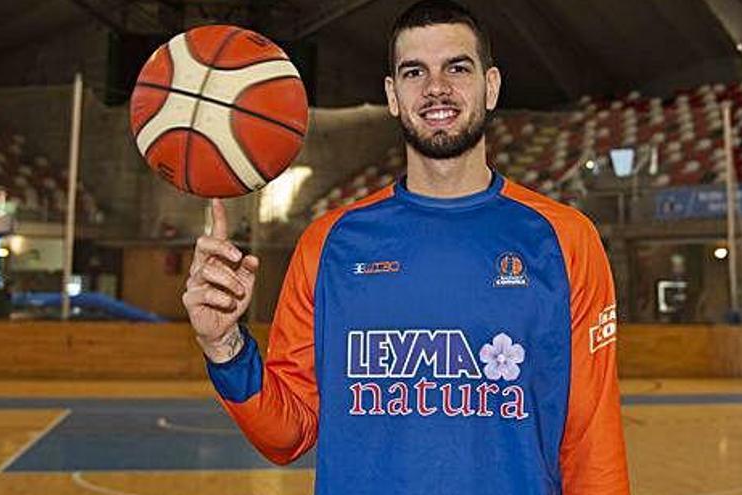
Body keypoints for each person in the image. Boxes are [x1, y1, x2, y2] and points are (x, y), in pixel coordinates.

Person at [182, 1, 629, 493]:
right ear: (393, 95)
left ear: (492, 85)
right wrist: (224, 345)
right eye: (415, 72)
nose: (436, 87)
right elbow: (287, 434)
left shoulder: (564, 240)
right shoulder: (329, 245)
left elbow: (592, 445)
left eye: (457, 67)